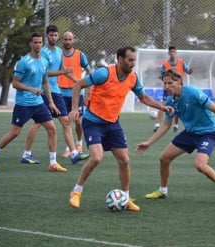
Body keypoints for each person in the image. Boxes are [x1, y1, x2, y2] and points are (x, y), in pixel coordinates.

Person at [68, 46, 174, 211]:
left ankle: (125, 197)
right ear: (120, 59)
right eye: (130, 60)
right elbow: (78, 85)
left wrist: (161, 107)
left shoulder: (132, 78)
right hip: (93, 122)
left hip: (113, 124)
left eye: (134, 60)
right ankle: (76, 192)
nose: (133, 63)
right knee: (96, 157)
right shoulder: (104, 73)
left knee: (124, 160)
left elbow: (143, 97)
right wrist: (75, 109)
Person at [136, 68, 215, 204]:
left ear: (179, 82)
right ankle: (162, 191)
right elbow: (166, 125)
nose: (166, 87)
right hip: (190, 133)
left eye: (170, 83)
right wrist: (149, 142)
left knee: (200, 165)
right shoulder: (169, 101)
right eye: (164, 84)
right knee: (164, 158)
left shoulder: (193, 92)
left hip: (208, 133)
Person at [0, 32, 65, 172]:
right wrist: (30, 89)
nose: (38, 45)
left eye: (40, 42)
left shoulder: (44, 61)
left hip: (39, 103)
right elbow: (15, 84)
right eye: (35, 42)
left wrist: (51, 102)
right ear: (30, 44)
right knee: (15, 133)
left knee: (52, 129)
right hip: (24, 103)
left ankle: (53, 163)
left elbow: (45, 82)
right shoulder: (23, 62)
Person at [20, 25, 88, 171]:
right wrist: (62, 73)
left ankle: (74, 153)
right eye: (51, 35)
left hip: (55, 92)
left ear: (58, 37)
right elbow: (46, 73)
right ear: (47, 37)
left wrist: (75, 80)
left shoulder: (58, 51)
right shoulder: (43, 52)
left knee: (65, 121)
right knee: (38, 123)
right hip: (45, 91)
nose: (53, 38)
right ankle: (27, 153)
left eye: (55, 35)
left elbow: (63, 70)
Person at [58, 31, 92, 157]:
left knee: (78, 121)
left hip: (77, 93)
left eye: (70, 39)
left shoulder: (80, 55)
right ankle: (70, 147)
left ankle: (78, 143)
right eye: (65, 39)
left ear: (74, 40)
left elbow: (89, 71)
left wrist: (86, 87)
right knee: (66, 121)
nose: (67, 42)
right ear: (62, 40)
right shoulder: (58, 54)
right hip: (61, 92)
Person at [153, 46, 193, 133]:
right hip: (168, 89)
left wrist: (191, 70)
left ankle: (175, 124)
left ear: (176, 52)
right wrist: (166, 80)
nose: (172, 53)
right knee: (163, 104)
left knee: (178, 105)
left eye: (174, 51)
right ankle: (157, 124)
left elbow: (188, 72)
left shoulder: (181, 62)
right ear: (168, 53)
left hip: (179, 88)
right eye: (170, 51)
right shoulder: (165, 64)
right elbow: (161, 75)